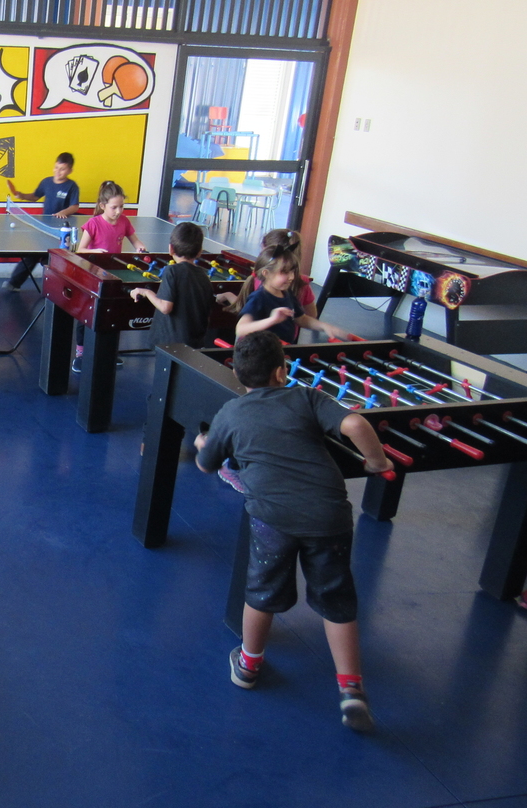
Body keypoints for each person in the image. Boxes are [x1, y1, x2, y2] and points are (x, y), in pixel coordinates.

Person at [194, 330, 392, 731]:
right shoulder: (305, 397)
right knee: (336, 599)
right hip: (329, 516)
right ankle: (351, 689)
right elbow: (354, 422)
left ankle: (248, 665)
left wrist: (203, 443)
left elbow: (206, 464)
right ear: (281, 372)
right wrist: (377, 461)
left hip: (273, 519)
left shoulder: (231, 413)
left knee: (261, 591)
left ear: (239, 375)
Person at [73, 180, 149, 371]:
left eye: (121, 206)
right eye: (114, 207)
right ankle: (81, 353)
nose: (118, 211)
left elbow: (135, 241)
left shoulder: (124, 222)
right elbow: (81, 250)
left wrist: (140, 247)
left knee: (113, 314)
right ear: (102, 206)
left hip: (113, 276)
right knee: (86, 314)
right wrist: (96, 251)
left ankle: (109, 351)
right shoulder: (93, 224)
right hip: (93, 274)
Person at [128, 222, 222, 349]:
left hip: (170, 345)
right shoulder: (203, 275)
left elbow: (165, 307)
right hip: (194, 342)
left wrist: (146, 292)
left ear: (170, 249)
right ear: (200, 252)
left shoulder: (172, 271)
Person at [232, 243, 348, 344]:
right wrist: (272, 320)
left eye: (292, 271)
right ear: (266, 273)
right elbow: (241, 329)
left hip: (280, 350)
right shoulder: (258, 298)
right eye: (285, 272)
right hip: (259, 354)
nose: (291, 277)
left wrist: (323, 326)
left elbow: (301, 319)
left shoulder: (287, 294)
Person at [2, 152, 81, 291]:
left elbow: (74, 206)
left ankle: (58, 287)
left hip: (61, 230)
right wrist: (22, 195)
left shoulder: (72, 186)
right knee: (33, 254)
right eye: (56, 167)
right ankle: (14, 283)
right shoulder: (46, 182)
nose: (58, 171)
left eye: (62, 169)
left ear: (70, 170)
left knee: (53, 258)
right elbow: (35, 196)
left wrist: (63, 212)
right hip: (44, 226)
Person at [218, 228, 317, 318]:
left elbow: (247, 310)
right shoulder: (303, 282)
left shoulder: (262, 278)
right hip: (287, 333)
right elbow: (312, 315)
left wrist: (228, 295)